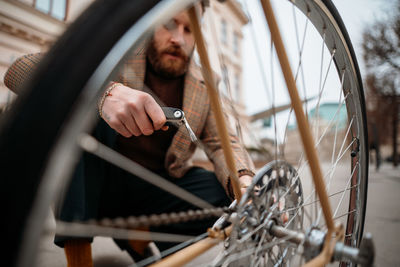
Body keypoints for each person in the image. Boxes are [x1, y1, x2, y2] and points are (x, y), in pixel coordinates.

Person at [4, 4, 255, 267]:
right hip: (99, 186)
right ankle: (79, 261)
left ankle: (143, 235)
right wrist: (105, 94)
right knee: (82, 113)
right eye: (169, 23)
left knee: (224, 191)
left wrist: (246, 181)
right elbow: (18, 70)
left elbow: (222, 141)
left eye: (189, 30)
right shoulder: (118, 51)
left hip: (158, 191)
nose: (178, 39)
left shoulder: (205, 82)